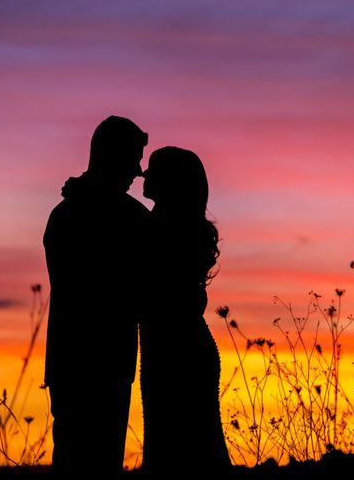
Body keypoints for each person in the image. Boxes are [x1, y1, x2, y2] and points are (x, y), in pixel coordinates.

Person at [43, 116, 150, 474]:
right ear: (111, 156)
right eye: (133, 158)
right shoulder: (130, 219)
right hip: (97, 365)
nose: (138, 171)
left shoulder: (63, 213)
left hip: (80, 364)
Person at [138, 146, 231, 473]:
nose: (143, 176)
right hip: (180, 347)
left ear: (170, 182)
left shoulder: (159, 229)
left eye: (153, 170)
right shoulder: (169, 226)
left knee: (177, 454)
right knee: (195, 449)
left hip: (175, 351)